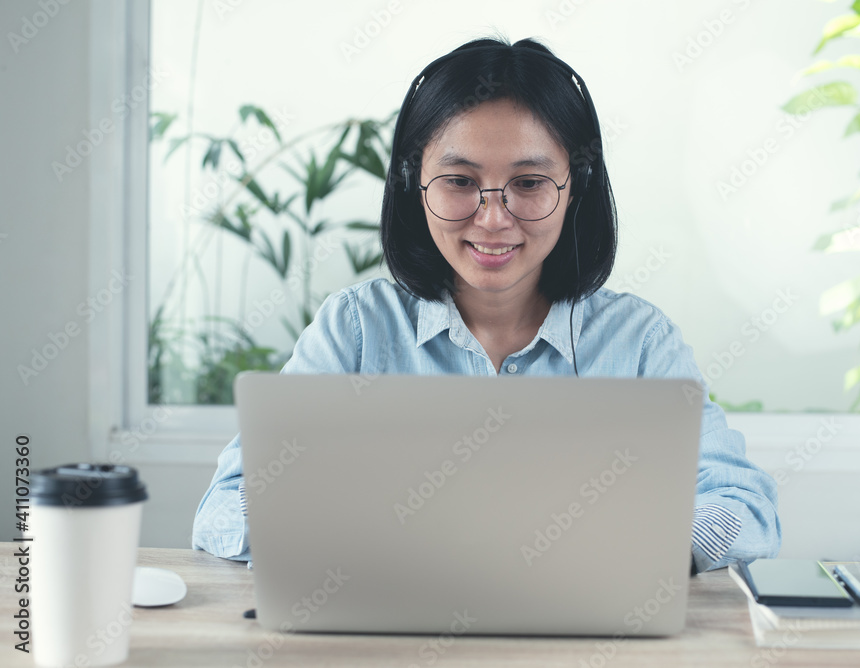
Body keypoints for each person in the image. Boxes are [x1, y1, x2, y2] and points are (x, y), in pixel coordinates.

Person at [192, 37, 781, 573]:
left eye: (528, 183)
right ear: (412, 184)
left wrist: (639, 551)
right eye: (459, 181)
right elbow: (227, 504)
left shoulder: (641, 345)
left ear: (574, 188)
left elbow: (744, 509)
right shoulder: (356, 331)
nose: (493, 218)